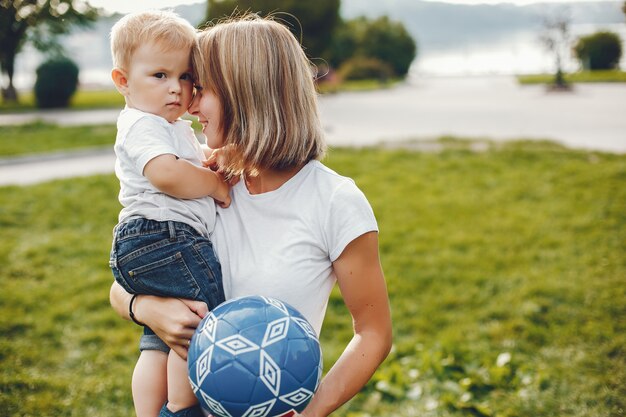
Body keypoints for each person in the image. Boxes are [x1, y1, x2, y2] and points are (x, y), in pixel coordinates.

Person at [110, 13, 392, 417]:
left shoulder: (334, 201)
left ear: (246, 94)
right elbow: (122, 283)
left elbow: (374, 333)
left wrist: (311, 413)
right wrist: (148, 311)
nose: (187, 102)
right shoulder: (202, 181)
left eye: (199, 86)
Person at [108, 10, 230, 417]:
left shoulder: (168, 125)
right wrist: (213, 184)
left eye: (185, 77)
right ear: (123, 81)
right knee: (201, 317)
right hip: (165, 236)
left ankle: (150, 409)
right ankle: (181, 403)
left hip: (147, 241)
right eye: (159, 75)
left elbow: (187, 161)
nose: (177, 89)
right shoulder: (143, 124)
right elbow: (165, 173)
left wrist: (209, 161)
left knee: (157, 339)